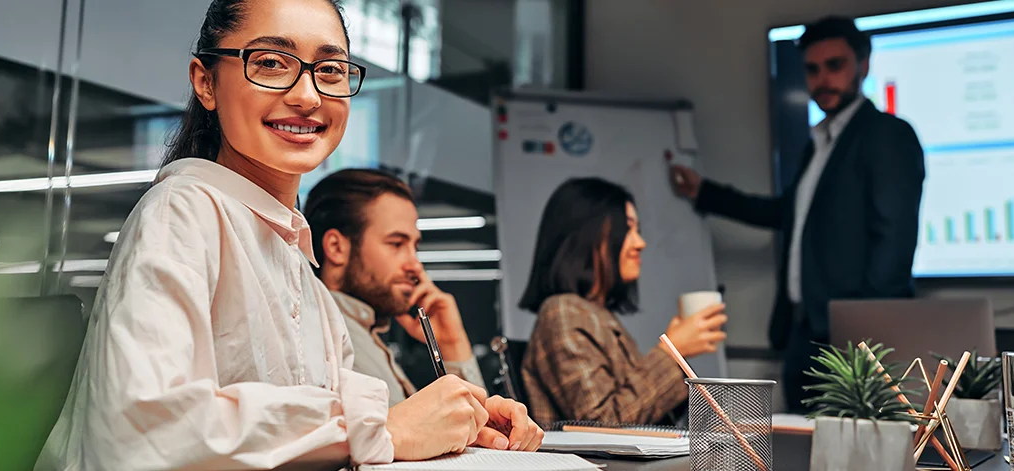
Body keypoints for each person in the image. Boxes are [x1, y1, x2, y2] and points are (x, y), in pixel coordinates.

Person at [36, 1, 536, 469]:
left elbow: (352, 430)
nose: (307, 95)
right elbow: (141, 430)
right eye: (272, 62)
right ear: (205, 82)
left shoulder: (300, 267)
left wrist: (464, 424)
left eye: (330, 69)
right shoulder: (182, 211)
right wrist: (380, 427)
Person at [669, 16, 925, 412]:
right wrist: (706, 192)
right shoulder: (818, 143)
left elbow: (894, 243)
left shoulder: (886, 135)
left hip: (853, 342)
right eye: (812, 69)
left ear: (863, 65)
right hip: (803, 334)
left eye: (834, 66)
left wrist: (862, 338)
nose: (822, 79)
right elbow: (787, 213)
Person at [304, 168, 543, 451]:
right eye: (396, 244)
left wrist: (453, 344)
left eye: (414, 246)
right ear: (336, 247)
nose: (414, 264)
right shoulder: (321, 333)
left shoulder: (367, 333)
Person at [518, 177, 728, 425]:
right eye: (626, 228)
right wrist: (672, 353)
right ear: (587, 233)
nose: (640, 243)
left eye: (637, 230)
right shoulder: (562, 311)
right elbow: (600, 424)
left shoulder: (596, 314)